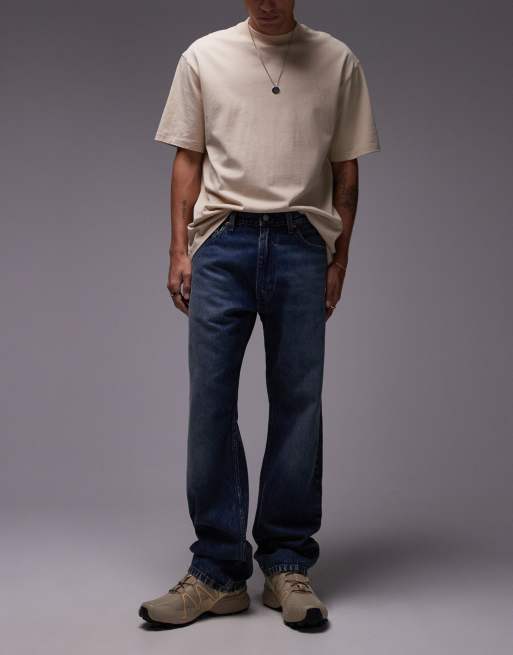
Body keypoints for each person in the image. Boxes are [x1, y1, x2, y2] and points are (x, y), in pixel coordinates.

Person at [139, 0, 380, 630]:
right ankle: (217, 571)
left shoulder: (337, 61)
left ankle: (287, 563)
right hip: (222, 241)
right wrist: (179, 250)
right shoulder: (204, 56)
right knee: (211, 402)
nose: (267, 1)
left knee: (299, 403)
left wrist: (339, 259)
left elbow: (346, 170)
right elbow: (187, 158)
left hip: (302, 242)